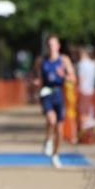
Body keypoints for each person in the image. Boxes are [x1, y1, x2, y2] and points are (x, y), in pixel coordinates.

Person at [32, 34, 77, 168]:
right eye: (49, 45)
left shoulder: (64, 60)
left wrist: (64, 75)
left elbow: (73, 78)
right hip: (46, 93)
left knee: (60, 129)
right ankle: (48, 140)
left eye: (54, 44)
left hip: (59, 93)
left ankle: (56, 154)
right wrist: (36, 83)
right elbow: (37, 76)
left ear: (58, 46)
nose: (51, 47)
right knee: (51, 120)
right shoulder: (41, 60)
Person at [76, 46, 95, 140]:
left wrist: (78, 88)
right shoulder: (93, 64)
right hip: (91, 90)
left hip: (83, 90)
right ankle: (86, 135)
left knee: (82, 113)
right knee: (87, 112)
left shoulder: (81, 64)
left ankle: (92, 124)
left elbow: (81, 78)